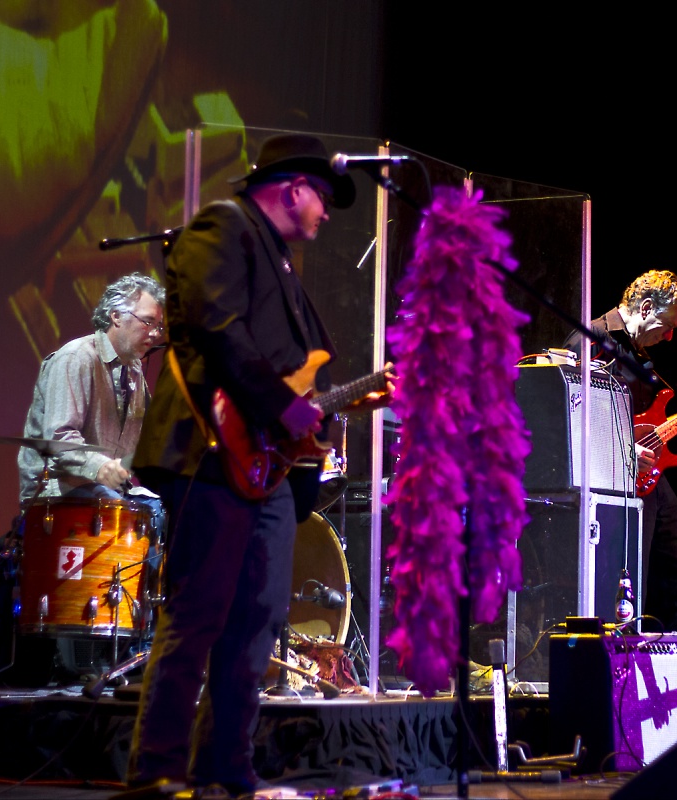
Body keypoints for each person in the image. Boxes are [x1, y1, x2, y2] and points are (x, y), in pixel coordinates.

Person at [125, 134, 391, 796]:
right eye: (323, 199)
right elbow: (217, 328)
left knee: (255, 624)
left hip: (262, 472)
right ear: (294, 187)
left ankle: (228, 772)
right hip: (208, 458)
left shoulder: (283, 266)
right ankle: (156, 773)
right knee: (197, 619)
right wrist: (281, 404)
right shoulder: (224, 226)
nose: (326, 215)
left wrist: (333, 407)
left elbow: (293, 380)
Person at [566, 270, 677, 642]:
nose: (670, 336)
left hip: (648, 477)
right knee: (626, 589)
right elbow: (567, 413)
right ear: (647, 307)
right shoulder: (591, 339)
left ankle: (660, 667)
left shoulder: (637, 351)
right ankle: (620, 676)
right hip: (611, 482)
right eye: (667, 326)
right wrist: (622, 450)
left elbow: (642, 423)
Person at [18, 272, 165, 507]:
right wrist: (100, 466)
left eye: (159, 326)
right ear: (116, 316)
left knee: (170, 510)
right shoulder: (76, 358)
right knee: (137, 511)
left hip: (105, 491)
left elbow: (149, 440)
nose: (155, 334)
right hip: (57, 492)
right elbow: (60, 438)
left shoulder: (135, 370)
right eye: (148, 322)